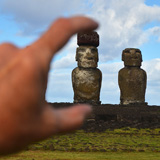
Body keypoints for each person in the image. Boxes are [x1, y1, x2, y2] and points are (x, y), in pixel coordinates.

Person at [0, 16, 98, 155]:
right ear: (77, 56)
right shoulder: (76, 71)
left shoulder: (97, 73)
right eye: (83, 52)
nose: (89, 55)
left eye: (94, 52)